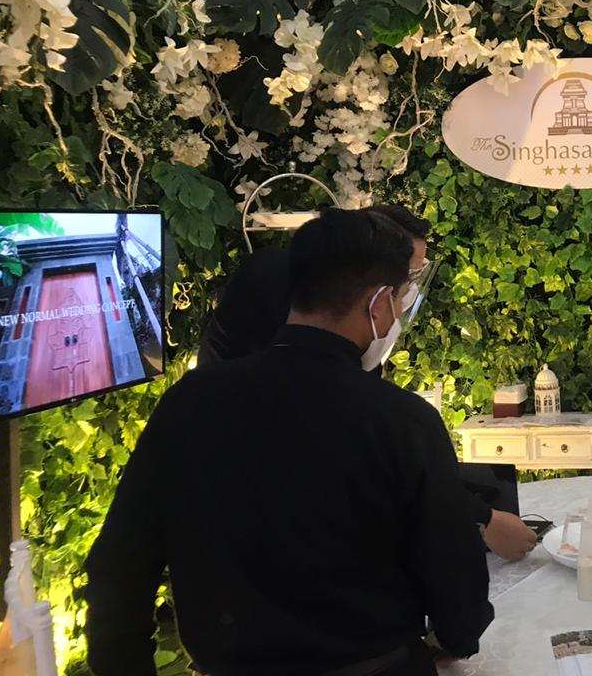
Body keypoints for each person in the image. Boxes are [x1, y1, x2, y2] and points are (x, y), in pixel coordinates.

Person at [86, 209, 495, 676]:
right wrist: (455, 635)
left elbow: (118, 567)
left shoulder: (190, 403)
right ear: (380, 302)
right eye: (400, 299)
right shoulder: (403, 420)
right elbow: (458, 596)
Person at [197, 204, 539, 563]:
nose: (404, 295)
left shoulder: (352, 345)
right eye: (406, 275)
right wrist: (481, 517)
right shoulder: (285, 298)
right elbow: (349, 435)